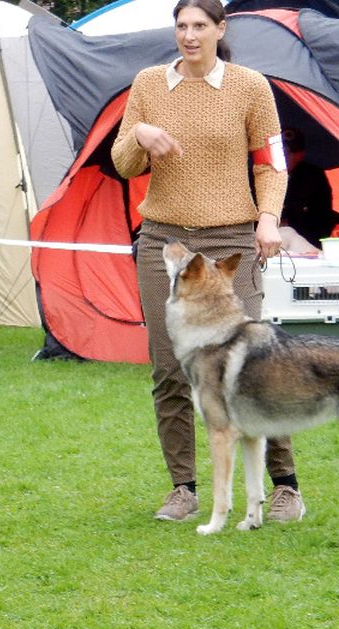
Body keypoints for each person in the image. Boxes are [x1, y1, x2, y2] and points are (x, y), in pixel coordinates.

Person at [111, 0, 305, 523]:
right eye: (181, 26)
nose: (189, 35)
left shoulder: (250, 86)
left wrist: (268, 218)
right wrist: (138, 136)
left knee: (256, 367)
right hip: (165, 243)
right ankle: (183, 488)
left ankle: (285, 486)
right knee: (170, 368)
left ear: (221, 29)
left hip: (232, 243)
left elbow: (272, 163)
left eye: (200, 26)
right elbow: (123, 163)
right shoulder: (148, 84)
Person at [280, 128, 338, 250]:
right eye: (280, 151)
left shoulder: (313, 177)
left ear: (300, 155)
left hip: (304, 243)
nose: (283, 156)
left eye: (287, 152)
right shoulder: (261, 172)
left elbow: (323, 217)